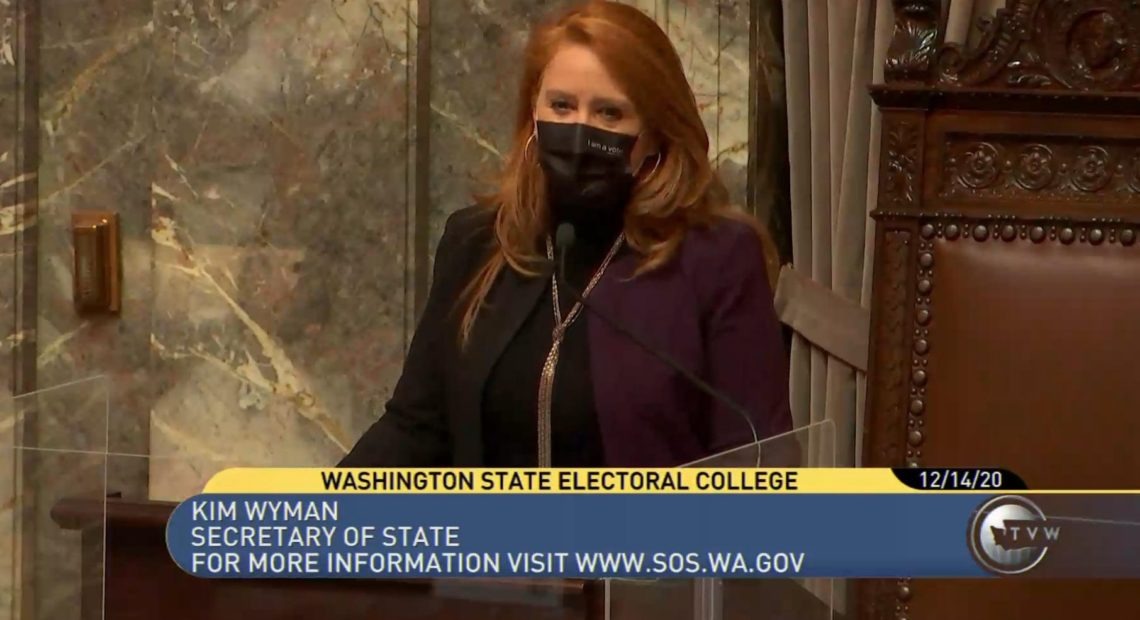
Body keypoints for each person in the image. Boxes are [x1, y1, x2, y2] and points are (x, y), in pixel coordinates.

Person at [340, 0, 791, 468]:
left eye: (610, 114)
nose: (580, 131)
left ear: (657, 133)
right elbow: (416, 429)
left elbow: (757, 460)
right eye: (561, 106)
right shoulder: (478, 242)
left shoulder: (716, 259)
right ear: (532, 115)